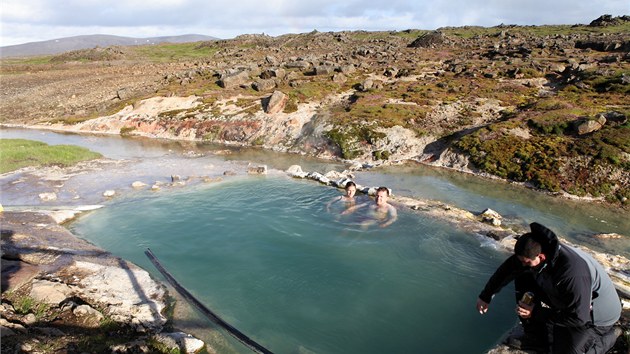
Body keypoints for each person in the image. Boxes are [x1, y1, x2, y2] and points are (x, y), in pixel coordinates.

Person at [476, 222, 622, 353]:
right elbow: (506, 270)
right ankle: (535, 338)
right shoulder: (533, 252)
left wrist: (536, 312)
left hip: (595, 316)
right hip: (569, 300)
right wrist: (486, 295)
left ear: (542, 257)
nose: (522, 264)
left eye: (526, 262)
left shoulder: (571, 273)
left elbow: (578, 318)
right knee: (523, 276)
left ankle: (610, 337)